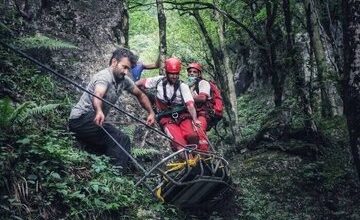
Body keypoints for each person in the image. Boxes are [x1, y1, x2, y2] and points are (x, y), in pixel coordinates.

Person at [68, 48, 156, 169]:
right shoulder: (104, 77)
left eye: (128, 69)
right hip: (81, 120)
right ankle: (117, 174)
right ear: (114, 62)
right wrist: (99, 111)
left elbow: (140, 94)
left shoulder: (123, 80)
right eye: (124, 67)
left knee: (121, 143)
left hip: (95, 122)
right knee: (121, 139)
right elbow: (98, 94)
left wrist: (151, 112)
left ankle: (117, 168)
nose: (126, 71)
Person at [136, 58, 209, 152]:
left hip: (183, 116)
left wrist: (195, 119)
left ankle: (198, 157)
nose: (174, 76)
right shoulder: (158, 81)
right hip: (166, 119)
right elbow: (142, 82)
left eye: (176, 74)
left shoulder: (183, 86)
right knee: (179, 144)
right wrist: (132, 86)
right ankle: (187, 161)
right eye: (171, 74)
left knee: (192, 136)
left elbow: (190, 104)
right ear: (166, 72)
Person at [186, 62, 211, 133]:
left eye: (194, 72)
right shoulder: (186, 85)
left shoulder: (203, 83)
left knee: (200, 132)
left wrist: (187, 98)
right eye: (190, 72)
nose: (191, 73)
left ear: (199, 74)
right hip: (190, 114)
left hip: (202, 113)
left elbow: (202, 98)